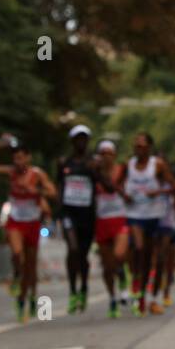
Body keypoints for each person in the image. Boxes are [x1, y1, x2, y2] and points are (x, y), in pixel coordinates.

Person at [0, 134, 57, 321]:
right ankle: (16, 277)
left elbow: (53, 192)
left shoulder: (37, 174)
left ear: (28, 158)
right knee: (17, 253)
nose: (18, 161)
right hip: (15, 221)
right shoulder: (11, 172)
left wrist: (36, 191)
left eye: (21, 157)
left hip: (32, 222)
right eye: (15, 158)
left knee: (30, 267)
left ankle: (28, 296)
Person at [123, 132, 175, 317]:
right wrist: (125, 195)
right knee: (140, 250)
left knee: (159, 258)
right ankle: (139, 287)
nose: (138, 148)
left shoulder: (158, 165)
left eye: (141, 145)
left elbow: (174, 187)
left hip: (158, 216)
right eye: (135, 145)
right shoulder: (128, 165)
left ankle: (151, 298)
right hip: (136, 215)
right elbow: (113, 184)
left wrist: (159, 191)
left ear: (149, 148)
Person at [56, 124, 98, 313]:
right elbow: (59, 186)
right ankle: (73, 291)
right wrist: (58, 210)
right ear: (72, 141)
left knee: (83, 254)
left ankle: (84, 288)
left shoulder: (93, 163)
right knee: (72, 249)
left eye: (84, 138)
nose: (81, 142)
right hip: (69, 213)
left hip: (87, 214)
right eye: (78, 139)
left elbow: (104, 184)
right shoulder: (64, 162)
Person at [92, 139, 130, 319]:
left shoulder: (122, 169)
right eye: (103, 153)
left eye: (109, 153)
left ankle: (123, 279)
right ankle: (113, 297)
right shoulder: (94, 174)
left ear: (114, 155)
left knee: (119, 255)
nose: (106, 157)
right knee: (107, 267)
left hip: (120, 218)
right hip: (102, 221)